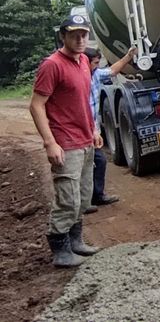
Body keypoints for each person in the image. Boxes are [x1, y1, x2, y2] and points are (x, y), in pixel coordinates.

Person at [30, 15, 102, 267]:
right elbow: (37, 105)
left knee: (83, 196)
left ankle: (76, 242)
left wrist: (93, 130)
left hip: (85, 140)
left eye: (84, 34)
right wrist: (50, 142)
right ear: (63, 36)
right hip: (66, 143)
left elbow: (83, 102)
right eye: (74, 34)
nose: (80, 39)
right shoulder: (52, 65)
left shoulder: (83, 61)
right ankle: (60, 250)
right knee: (67, 199)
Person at [85, 46, 137, 209]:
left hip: (92, 129)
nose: (97, 66)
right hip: (81, 130)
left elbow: (112, 70)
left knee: (99, 162)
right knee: (83, 166)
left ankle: (96, 196)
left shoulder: (96, 74)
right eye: (95, 62)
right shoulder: (78, 78)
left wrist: (128, 56)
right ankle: (83, 202)